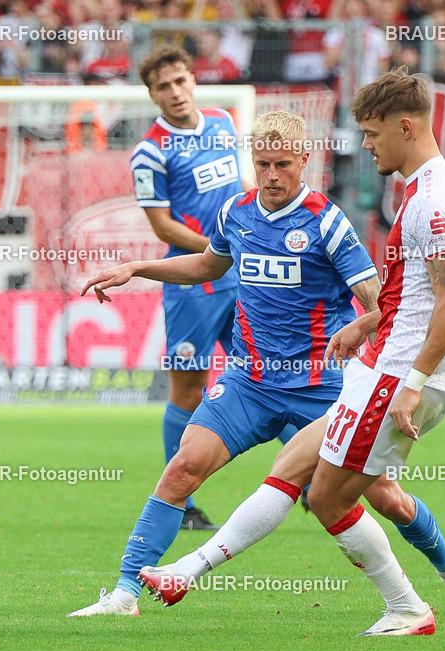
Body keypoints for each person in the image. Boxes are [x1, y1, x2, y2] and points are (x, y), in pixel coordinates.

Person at [142, 68, 445, 636]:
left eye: (373, 132)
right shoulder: (425, 188)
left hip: (395, 373)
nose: (365, 143)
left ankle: (419, 599)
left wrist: (414, 379)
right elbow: (413, 293)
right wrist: (367, 327)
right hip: (372, 363)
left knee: (338, 498)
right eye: (262, 163)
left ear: (405, 127)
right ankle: (186, 569)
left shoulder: (430, 200)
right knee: (294, 473)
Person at [67, 109, 382, 617]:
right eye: (263, 164)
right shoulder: (237, 212)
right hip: (248, 382)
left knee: (382, 495)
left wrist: (366, 341)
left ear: (305, 160)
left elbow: (379, 304)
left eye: (282, 164)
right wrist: (138, 268)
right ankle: (125, 592)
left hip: (318, 385)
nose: (272, 175)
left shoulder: (327, 220)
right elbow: (206, 266)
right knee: (182, 468)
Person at [125, 44, 254, 531]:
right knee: (188, 389)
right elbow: (162, 227)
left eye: (180, 81)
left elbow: (238, 186)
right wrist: (218, 247)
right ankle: (179, 502)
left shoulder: (222, 121)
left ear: (193, 80)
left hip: (239, 277)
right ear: (153, 96)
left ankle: (308, 481)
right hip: (192, 285)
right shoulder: (150, 151)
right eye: (164, 87)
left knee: (271, 372)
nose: (175, 92)